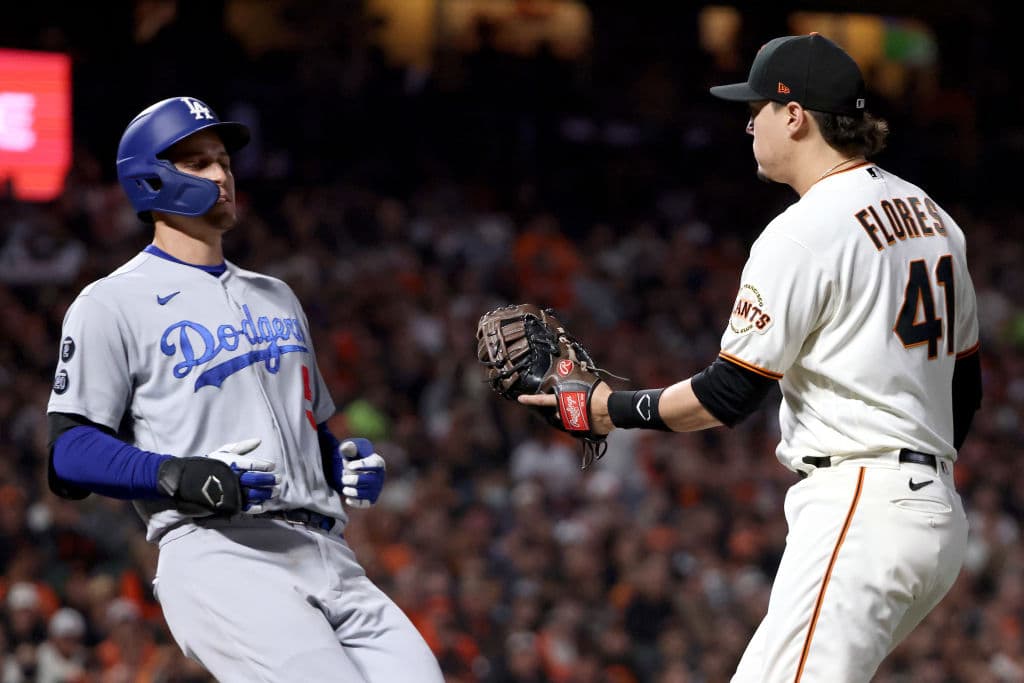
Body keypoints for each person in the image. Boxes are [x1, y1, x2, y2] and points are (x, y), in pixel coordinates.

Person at [521, 33, 982, 681]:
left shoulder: (804, 230)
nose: (749, 122)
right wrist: (921, 477)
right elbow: (965, 388)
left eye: (758, 106)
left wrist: (605, 408)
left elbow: (728, 395)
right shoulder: (934, 217)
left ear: (794, 116)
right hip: (932, 514)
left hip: (862, 505)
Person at [46, 96, 444, 683]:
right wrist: (175, 473)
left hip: (327, 550)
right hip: (220, 552)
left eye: (224, 161)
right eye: (199, 162)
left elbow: (307, 429)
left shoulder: (276, 294)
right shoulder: (110, 302)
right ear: (150, 178)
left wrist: (341, 464)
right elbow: (68, 451)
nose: (221, 174)